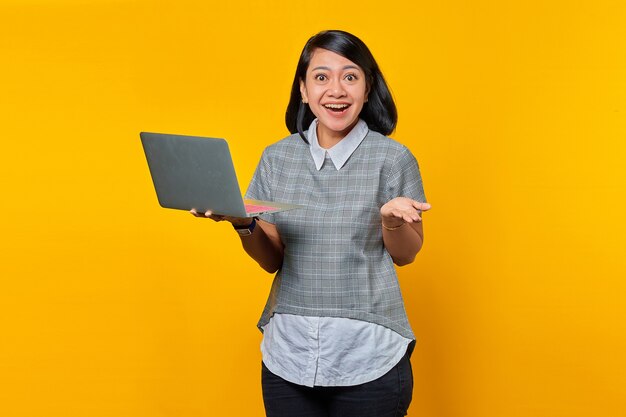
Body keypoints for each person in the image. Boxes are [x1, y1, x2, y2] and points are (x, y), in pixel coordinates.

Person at [191, 30, 431, 417]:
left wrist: (390, 222)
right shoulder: (277, 158)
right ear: (303, 90)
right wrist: (242, 222)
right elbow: (272, 259)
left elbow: (407, 255)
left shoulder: (393, 157)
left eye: (350, 77)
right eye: (321, 77)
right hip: (289, 352)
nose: (336, 90)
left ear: (367, 89)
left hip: (368, 354)